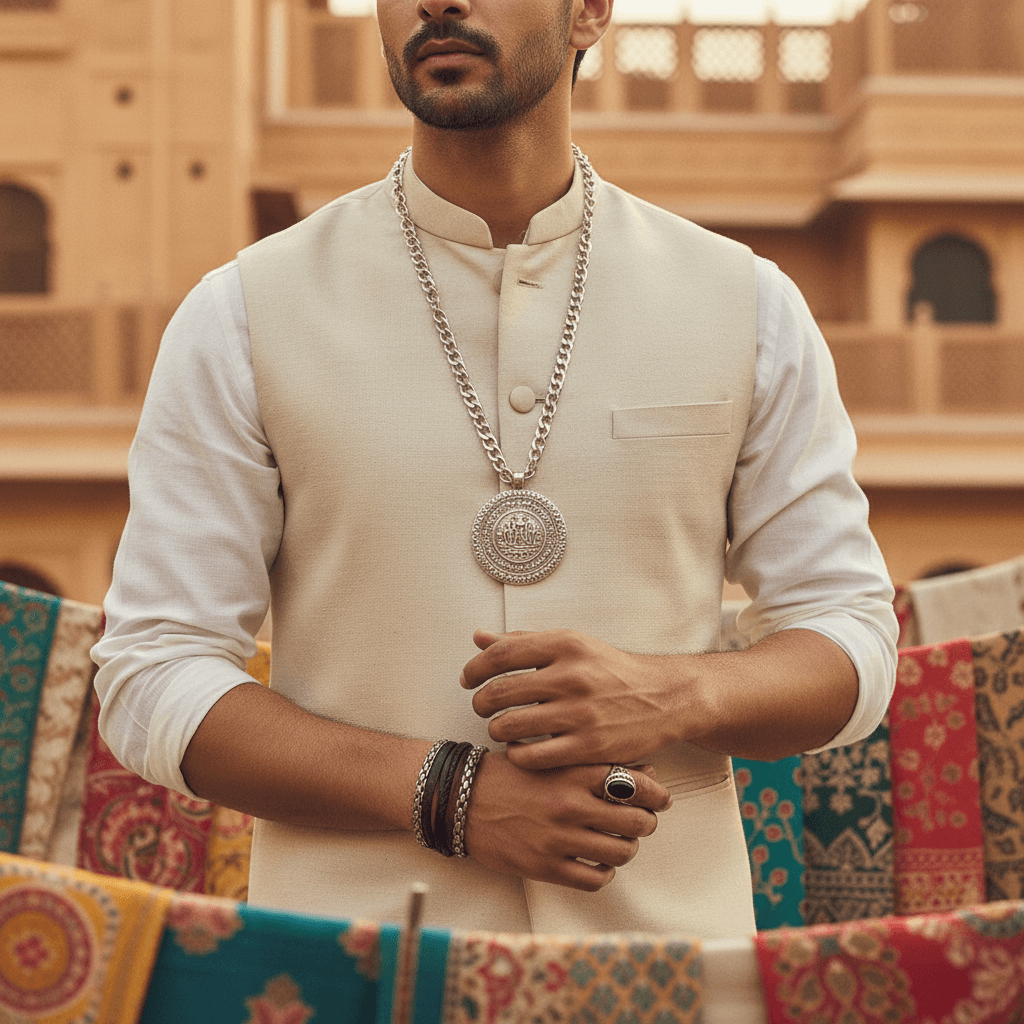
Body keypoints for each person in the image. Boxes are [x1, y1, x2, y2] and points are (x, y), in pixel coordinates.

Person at [93, 0, 897, 939]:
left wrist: (678, 692)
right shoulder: (241, 315)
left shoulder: (746, 305)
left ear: (589, 12)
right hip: (356, 974)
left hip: (669, 976)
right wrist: (451, 794)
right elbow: (153, 672)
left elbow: (849, 635)